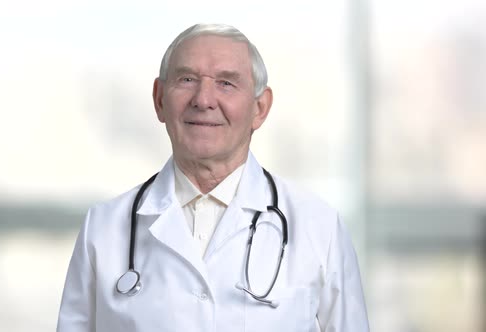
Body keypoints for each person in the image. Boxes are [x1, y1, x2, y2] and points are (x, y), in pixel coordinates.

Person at [57, 23, 369, 332]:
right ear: (160, 99)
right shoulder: (103, 229)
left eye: (226, 83)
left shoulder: (319, 228)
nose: (203, 99)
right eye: (187, 79)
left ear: (260, 108)